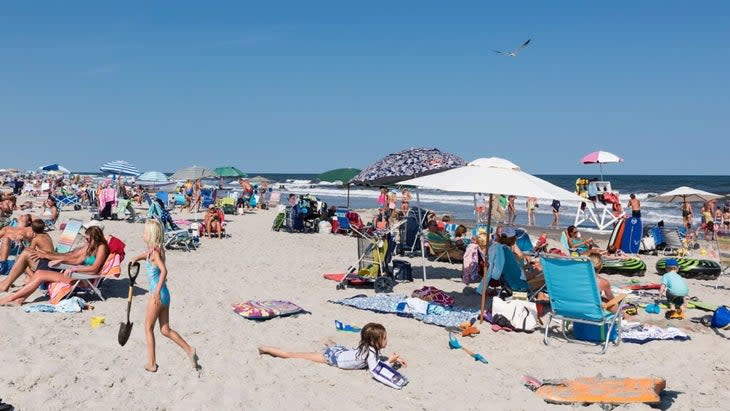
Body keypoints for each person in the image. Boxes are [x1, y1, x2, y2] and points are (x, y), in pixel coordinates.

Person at [132, 220, 200, 373]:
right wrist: (136, 258)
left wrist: (155, 292)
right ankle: (189, 349)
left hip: (158, 294)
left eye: (144, 232)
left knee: (148, 328)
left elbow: (164, 271)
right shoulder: (157, 250)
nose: (142, 234)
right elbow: (148, 256)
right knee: (165, 329)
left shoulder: (155, 252)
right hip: (165, 293)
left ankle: (152, 363)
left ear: (150, 235)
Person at [0, 225, 109, 305]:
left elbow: (94, 269)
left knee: (40, 275)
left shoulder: (101, 248)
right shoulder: (90, 246)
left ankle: (10, 298)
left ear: (95, 237)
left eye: (88, 238)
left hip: (84, 279)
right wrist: (60, 261)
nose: (86, 240)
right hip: (75, 274)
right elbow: (77, 260)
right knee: (39, 273)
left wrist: (75, 270)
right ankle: (19, 299)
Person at [258, 322, 406, 375]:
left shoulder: (368, 347)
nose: (387, 340)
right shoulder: (371, 353)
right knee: (293, 355)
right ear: (374, 341)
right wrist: (390, 362)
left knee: (336, 347)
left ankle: (329, 343)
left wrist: (393, 359)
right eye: (384, 338)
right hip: (333, 358)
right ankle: (265, 349)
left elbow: (374, 361)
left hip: (342, 352)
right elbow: (375, 370)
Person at [0, 219, 54, 291]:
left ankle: (33, 278)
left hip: (45, 262)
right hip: (50, 259)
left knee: (22, 260)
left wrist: (23, 240)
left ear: (32, 229)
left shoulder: (36, 239)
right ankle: (31, 277)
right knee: (23, 258)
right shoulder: (46, 235)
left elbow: (29, 249)